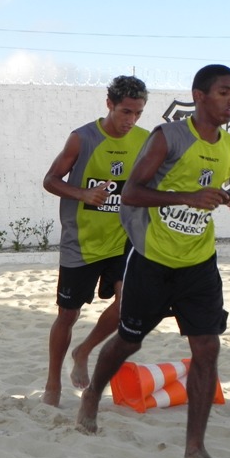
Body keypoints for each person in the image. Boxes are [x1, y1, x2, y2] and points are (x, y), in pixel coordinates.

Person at [77, 64, 230, 458]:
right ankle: (92, 395)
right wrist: (187, 196)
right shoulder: (167, 136)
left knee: (207, 350)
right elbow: (132, 193)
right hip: (153, 259)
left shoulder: (227, 144)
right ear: (200, 95)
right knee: (129, 342)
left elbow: (210, 191)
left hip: (198, 263)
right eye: (224, 92)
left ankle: (195, 451)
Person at [41, 76, 150, 406]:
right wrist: (83, 193)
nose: (131, 120)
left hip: (123, 240)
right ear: (110, 105)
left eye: (138, 113)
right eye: (126, 112)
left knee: (127, 304)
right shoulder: (82, 138)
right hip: (81, 242)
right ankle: (52, 384)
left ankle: (84, 350)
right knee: (67, 315)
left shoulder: (146, 141)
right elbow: (50, 180)